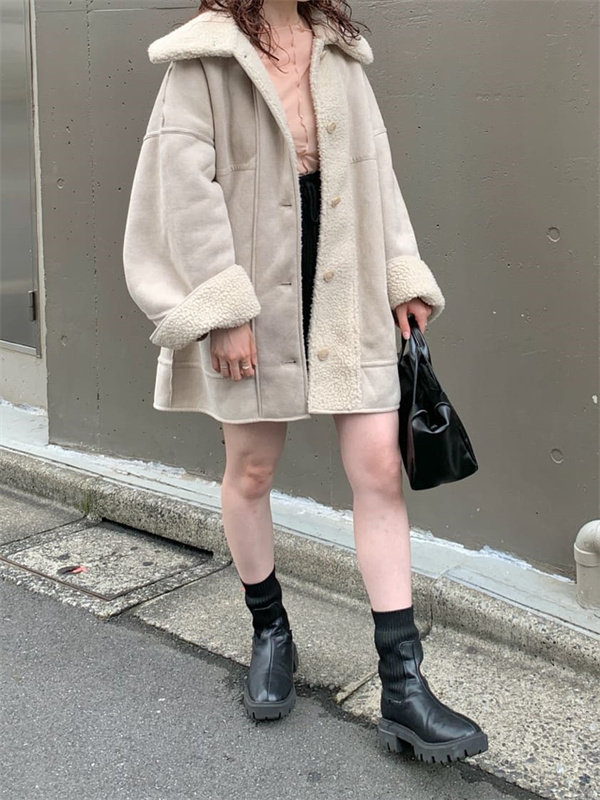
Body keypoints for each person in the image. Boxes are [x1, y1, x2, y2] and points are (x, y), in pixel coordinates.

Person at [123, 0, 488, 764]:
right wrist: (222, 305)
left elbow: (378, 172)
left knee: (380, 468)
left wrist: (401, 273)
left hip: (348, 282)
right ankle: (270, 631)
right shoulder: (204, 58)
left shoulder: (340, 50)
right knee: (251, 469)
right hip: (252, 293)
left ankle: (403, 686)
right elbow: (182, 188)